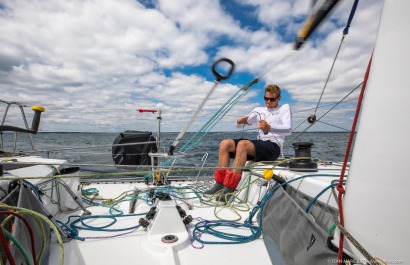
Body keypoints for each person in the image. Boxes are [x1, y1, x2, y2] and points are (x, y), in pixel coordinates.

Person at [203, 84, 292, 202]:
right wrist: (241, 121)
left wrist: (269, 127)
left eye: (272, 99)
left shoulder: (284, 108)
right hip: (259, 145)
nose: (268, 102)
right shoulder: (258, 110)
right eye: (266, 98)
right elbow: (242, 124)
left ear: (279, 98)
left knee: (243, 144)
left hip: (273, 148)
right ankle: (219, 184)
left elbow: (288, 129)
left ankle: (229, 190)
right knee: (225, 143)